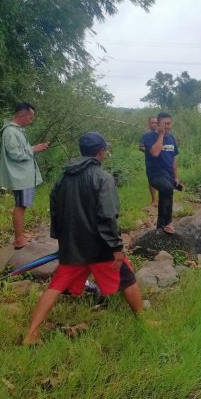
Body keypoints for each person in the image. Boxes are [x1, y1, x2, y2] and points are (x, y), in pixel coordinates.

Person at [23, 132, 143, 345]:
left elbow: (55, 210)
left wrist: (62, 240)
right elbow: (108, 215)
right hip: (100, 247)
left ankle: (32, 332)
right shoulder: (103, 177)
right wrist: (116, 247)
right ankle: (143, 320)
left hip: (73, 246)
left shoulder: (63, 177)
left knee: (56, 286)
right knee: (127, 278)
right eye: (104, 149)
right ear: (100, 152)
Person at [0, 101, 50, 249]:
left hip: (24, 176)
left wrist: (35, 148)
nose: (31, 120)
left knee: (22, 205)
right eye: (30, 117)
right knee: (20, 206)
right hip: (20, 177)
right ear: (21, 114)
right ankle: (19, 239)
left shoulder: (17, 130)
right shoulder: (10, 131)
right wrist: (35, 149)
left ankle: (19, 235)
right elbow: (15, 154)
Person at [142, 112, 181, 234]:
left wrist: (176, 177)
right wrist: (161, 135)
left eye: (169, 123)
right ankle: (167, 222)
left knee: (167, 193)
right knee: (167, 189)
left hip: (168, 174)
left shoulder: (172, 138)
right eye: (164, 123)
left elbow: (174, 158)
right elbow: (155, 153)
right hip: (155, 174)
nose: (167, 126)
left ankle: (160, 226)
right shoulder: (149, 136)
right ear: (158, 123)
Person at [138, 116, 159, 207]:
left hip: (162, 161)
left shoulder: (161, 134)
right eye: (152, 122)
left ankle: (162, 199)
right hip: (150, 161)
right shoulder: (145, 135)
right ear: (149, 124)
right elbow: (140, 147)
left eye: (156, 122)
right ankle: (154, 200)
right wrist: (150, 151)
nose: (154, 124)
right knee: (152, 180)